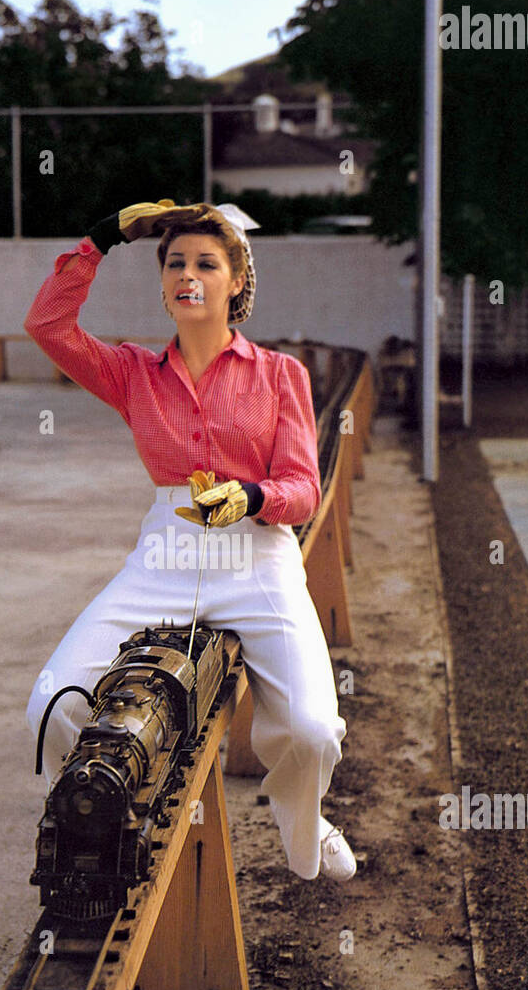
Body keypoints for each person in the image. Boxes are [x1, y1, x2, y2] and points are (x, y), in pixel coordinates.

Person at [23, 199, 356, 881]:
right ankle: (100, 830)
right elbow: (47, 325)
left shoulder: (279, 375)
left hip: (256, 559)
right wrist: (103, 235)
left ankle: (307, 822)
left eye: (207, 262)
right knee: (53, 703)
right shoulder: (133, 374)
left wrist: (253, 497)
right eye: (176, 262)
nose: (188, 273)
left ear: (236, 281)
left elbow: (303, 487)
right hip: (163, 559)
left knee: (313, 732)